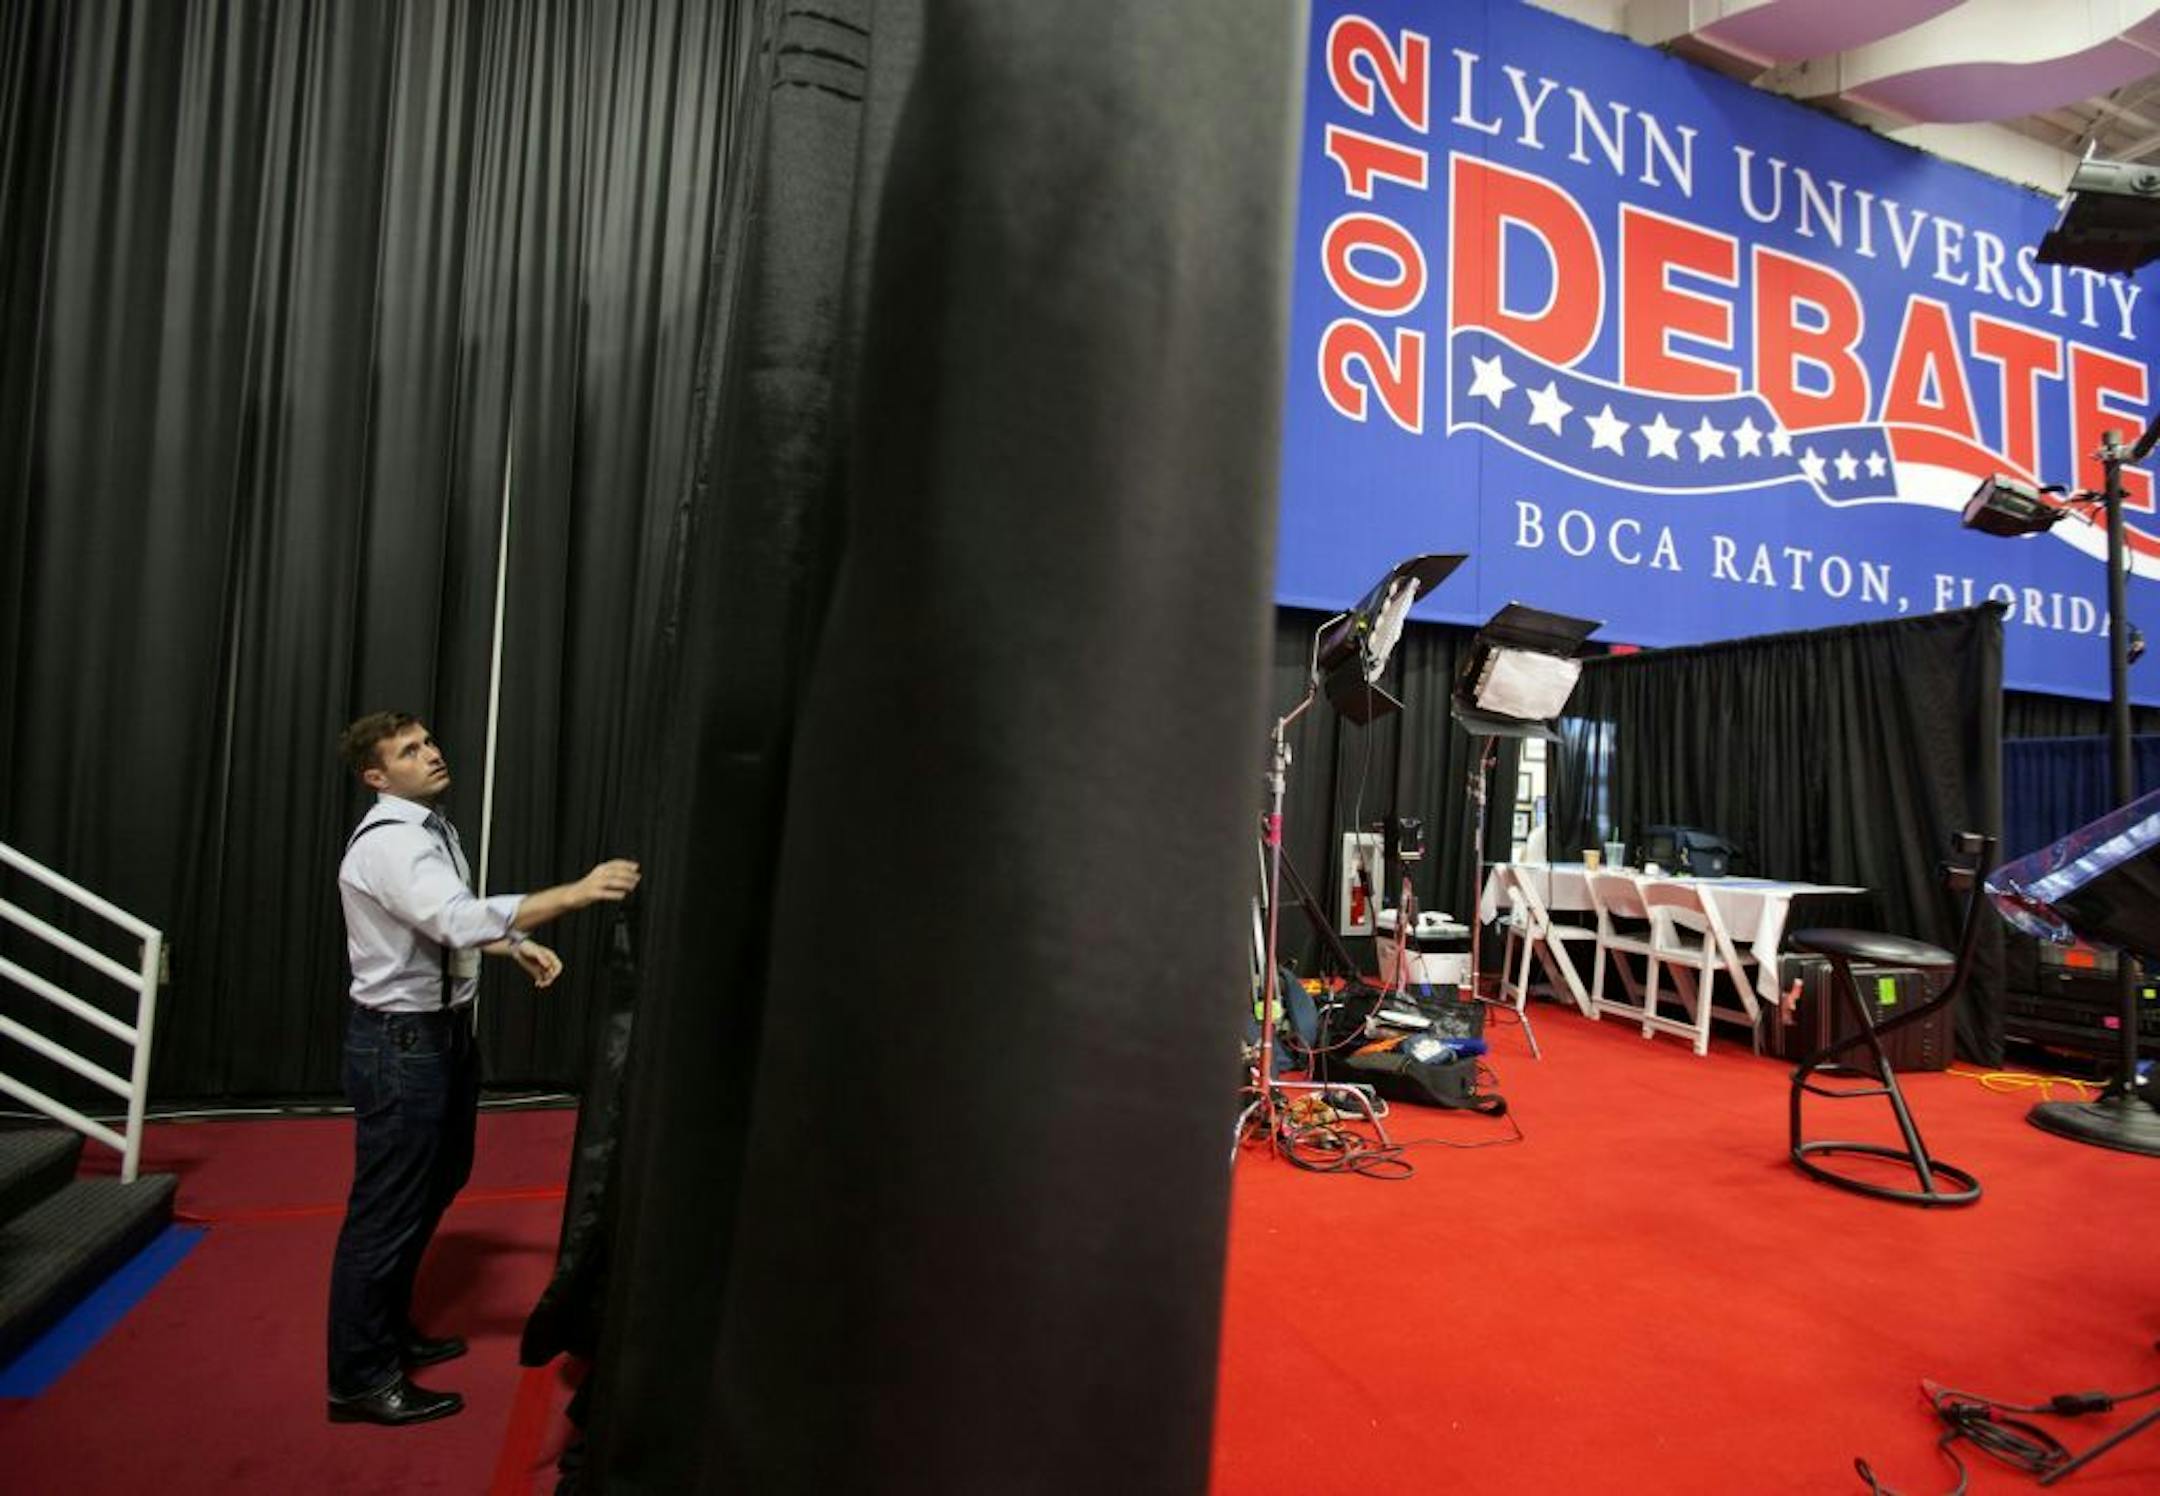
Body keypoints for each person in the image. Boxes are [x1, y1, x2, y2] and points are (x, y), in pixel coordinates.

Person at [326, 710, 640, 1427]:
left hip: (437, 1037)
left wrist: (514, 945)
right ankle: (359, 1377)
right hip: (400, 1046)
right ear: (376, 777)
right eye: (409, 751)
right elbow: (456, 921)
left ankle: (385, 1328)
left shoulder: (430, 830)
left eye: (428, 741)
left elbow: (450, 920)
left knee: (435, 1186)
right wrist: (578, 892)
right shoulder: (393, 845)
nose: (431, 754)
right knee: (386, 1214)